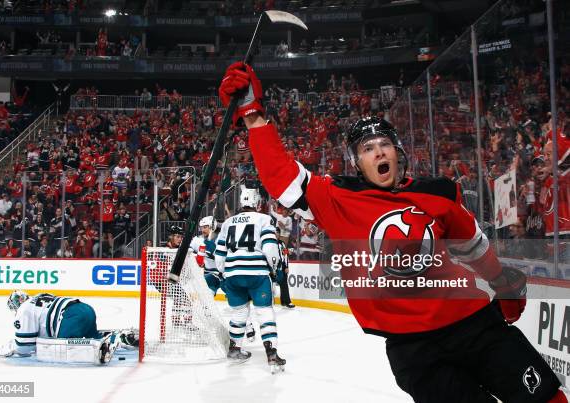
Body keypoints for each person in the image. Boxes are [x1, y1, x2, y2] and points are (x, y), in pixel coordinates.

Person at [218, 62, 565, 401]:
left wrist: (502, 282)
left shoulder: (438, 192)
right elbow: (281, 176)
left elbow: (473, 246)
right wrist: (252, 114)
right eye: (367, 149)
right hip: (414, 352)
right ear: (357, 163)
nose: (378, 151)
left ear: (397, 153)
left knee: (546, 396)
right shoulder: (337, 199)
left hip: (473, 324)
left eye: (383, 144)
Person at [215, 185, 285, 373]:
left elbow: (219, 253)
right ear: (257, 202)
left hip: (232, 275)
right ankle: (271, 354)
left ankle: (234, 349)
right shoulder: (264, 219)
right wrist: (273, 269)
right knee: (264, 312)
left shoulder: (229, 222)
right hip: (257, 274)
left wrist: (224, 273)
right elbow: (270, 247)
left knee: (238, 313)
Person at [0, 290, 138, 364]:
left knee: (62, 346)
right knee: (93, 334)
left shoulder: (23, 309)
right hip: (85, 309)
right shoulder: (38, 297)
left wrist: (12, 347)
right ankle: (119, 336)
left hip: (71, 317)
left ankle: (99, 347)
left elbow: (25, 347)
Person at [276, 227, 294, 308]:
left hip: (282, 266)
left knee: (284, 284)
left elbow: (285, 255)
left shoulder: (282, 243)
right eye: (275, 232)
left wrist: (286, 266)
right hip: (272, 266)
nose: (276, 234)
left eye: (277, 232)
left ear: (279, 234)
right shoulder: (269, 244)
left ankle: (285, 301)